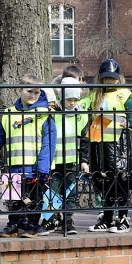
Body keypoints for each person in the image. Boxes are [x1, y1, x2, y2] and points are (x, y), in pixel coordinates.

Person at [0, 77, 57, 238]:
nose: (33, 95)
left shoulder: (44, 114)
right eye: (29, 91)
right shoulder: (9, 113)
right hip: (13, 164)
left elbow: (49, 143)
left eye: (37, 92)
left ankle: (32, 225)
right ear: (19, 90)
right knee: (13, 197)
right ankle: (13, 224)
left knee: (35, 198)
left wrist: (43, 167)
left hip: (35, 166)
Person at [87, 58, 132, 233]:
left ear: (119, 78)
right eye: (106, 78)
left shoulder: (124, 94)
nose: (110, 81)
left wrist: (129, 122)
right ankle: (108, 218)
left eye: (113, 78)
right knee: (105, 182)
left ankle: (123, 219)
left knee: (121, 181)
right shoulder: (95, 96)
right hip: (100, 145)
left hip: (120, 145)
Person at [46, 75, 89, 235]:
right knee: (53, 192)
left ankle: (68, 220)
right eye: (69, 99)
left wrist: (84, 161)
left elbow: (84, 140)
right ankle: (54, 219)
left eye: (75, 99)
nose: (72, 102)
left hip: (72, 161)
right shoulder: (53, 113)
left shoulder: (82, 115)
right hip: (55, 161)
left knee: (71, 193)